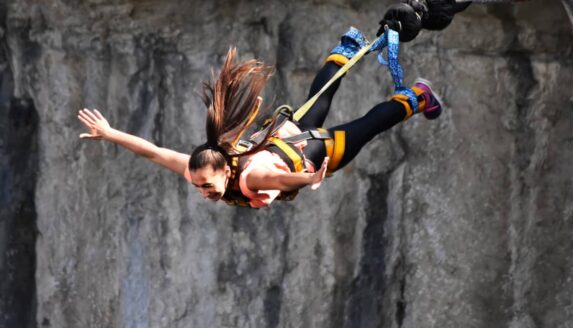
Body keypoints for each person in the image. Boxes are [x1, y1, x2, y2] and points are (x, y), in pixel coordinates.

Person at [77, 1, 469, 208]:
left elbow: (282, 180)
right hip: (289, 135)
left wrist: (310, 179)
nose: (202, 191)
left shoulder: (249, 179)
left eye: (205, 187)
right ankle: (344, 51)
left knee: (368, 125)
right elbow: (155, 152)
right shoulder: (209, 163)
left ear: (223, 173)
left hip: (316, 153)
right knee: (318, 100)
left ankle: (420, 95)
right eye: (199, 187)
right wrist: (111, 134)